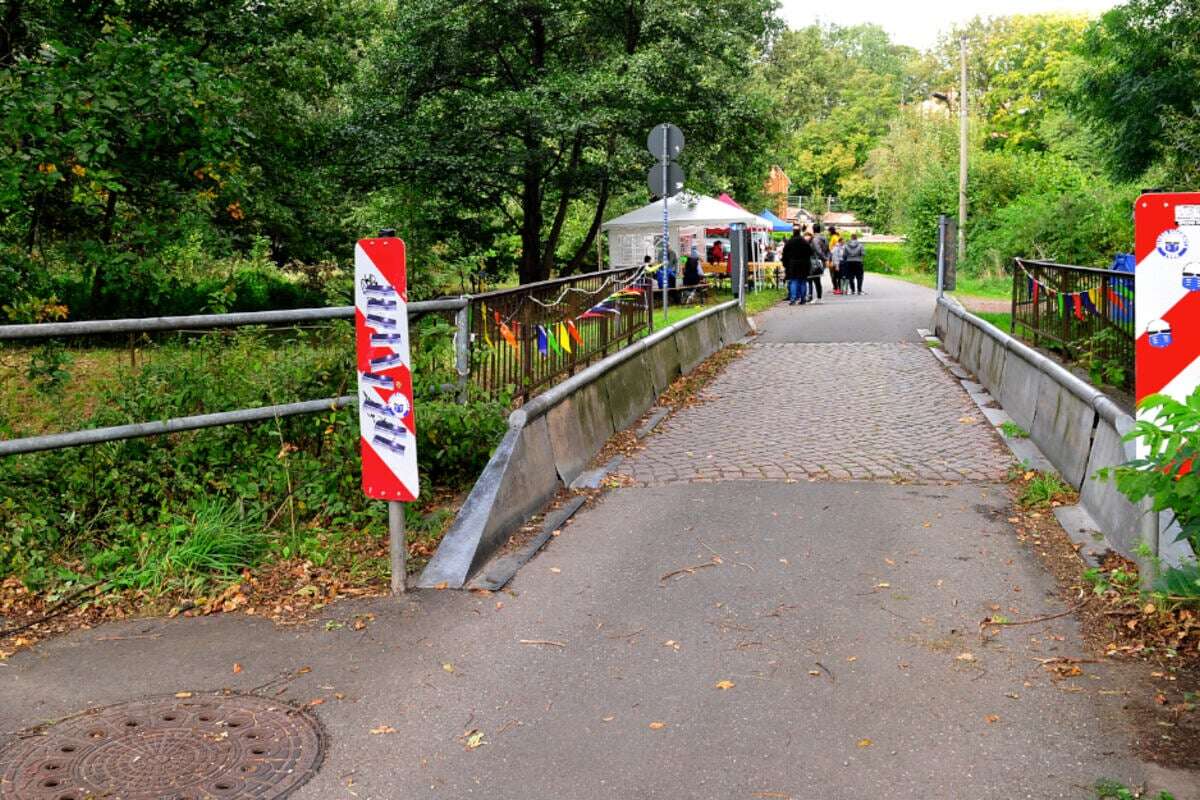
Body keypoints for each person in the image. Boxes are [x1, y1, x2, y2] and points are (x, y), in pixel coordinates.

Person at [781, 225, 812, 305]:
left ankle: (793, 299)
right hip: (804, 264)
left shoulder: (790, 242)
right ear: (800, 232)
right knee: (803, 281)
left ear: (793, 232)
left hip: (793, 264)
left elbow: (784, 254)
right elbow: (810, 252)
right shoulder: (804, 241)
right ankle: (803, 299)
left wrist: (785, 264)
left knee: (793, 281)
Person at [809, 223, 830, 302]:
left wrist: (824, 259)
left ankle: (818, 297)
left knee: (815, 279)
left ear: (813, 229)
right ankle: (819, 297)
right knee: (817, 279)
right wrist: (827, 259)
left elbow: (818, 250)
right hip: (822, 261)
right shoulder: (825, 238)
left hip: (816, 261)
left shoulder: (815, 239)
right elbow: (828, 250)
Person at [827, 226, 842, 294]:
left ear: (830, 231)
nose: (828, 233)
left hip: (834, 257)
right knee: (836, 274)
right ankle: (837, 288)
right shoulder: (836, 236)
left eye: (828, 231)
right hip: (836, 257)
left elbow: (836, 248)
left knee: (833, 274)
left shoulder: (834, 238)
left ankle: (836, 288)